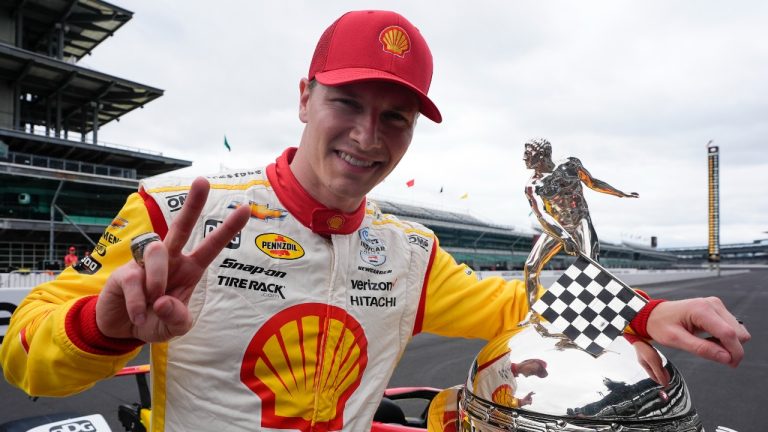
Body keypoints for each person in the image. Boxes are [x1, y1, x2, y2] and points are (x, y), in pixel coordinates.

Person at [0, 10, 749, 432]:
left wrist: (650, 311)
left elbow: (520, 304)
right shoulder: (174, 212)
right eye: (347, 104)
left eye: (395, 117)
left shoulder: (409, 252)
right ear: (303, 97)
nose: (368, 135)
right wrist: (106, 326)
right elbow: (25, 357)